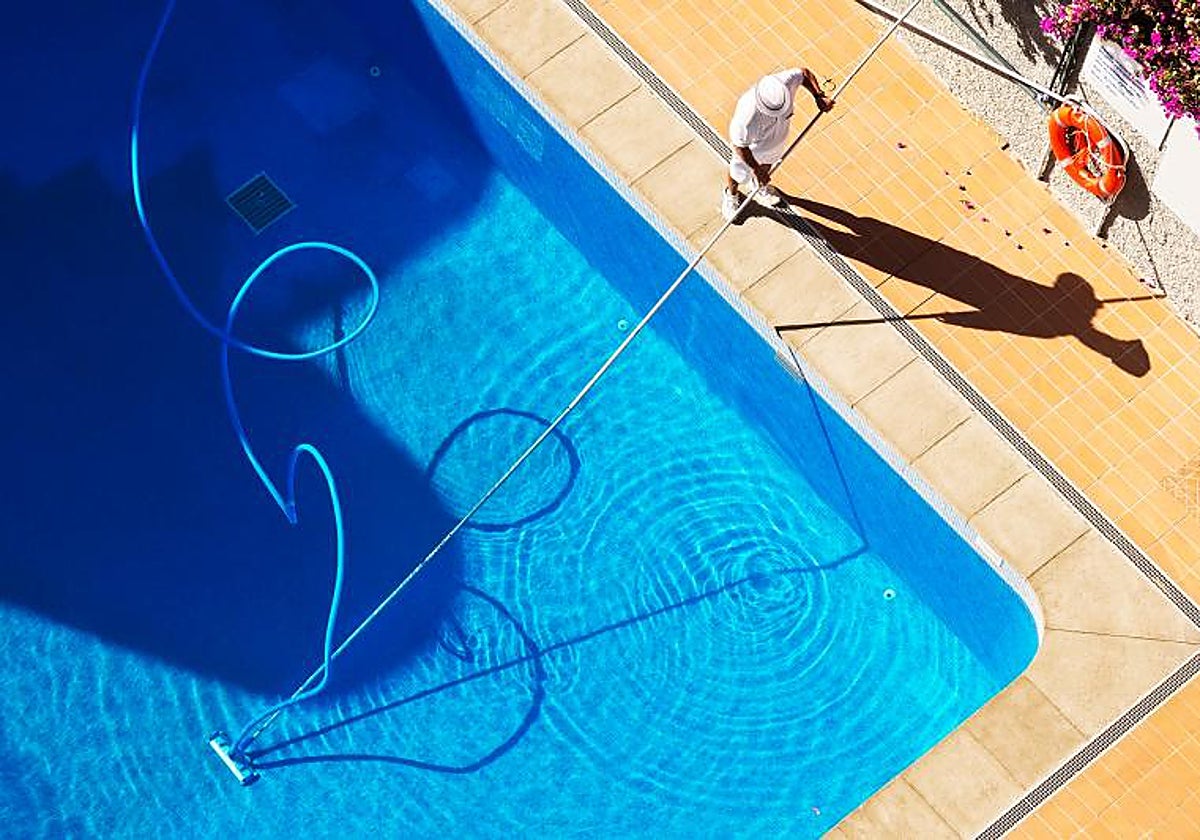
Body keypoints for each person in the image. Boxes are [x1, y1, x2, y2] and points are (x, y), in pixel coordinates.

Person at [722, 68, 835, 221]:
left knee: (768, 164)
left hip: (776, 141)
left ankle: (758, 186)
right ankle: (731, 195)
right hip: (751, 150)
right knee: (738, 173)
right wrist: (755, 169)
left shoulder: (783, 84)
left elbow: (804, 74)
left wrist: (818, 96)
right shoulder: (746, 118)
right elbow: (740, 147)